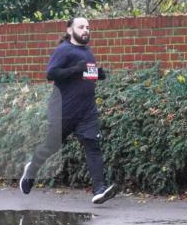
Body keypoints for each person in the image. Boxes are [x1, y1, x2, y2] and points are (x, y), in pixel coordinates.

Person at [19, 17, 118, 204]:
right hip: (64, 110)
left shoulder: (88, 51)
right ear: (70, 30)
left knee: (92, 146)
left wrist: (97, 73)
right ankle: (31, 171)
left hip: (86, 111)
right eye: (81, 27)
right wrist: (75, 69)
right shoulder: (63, 50)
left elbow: (84, 74)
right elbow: (51, 73)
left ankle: (99, 190)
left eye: (88, 27)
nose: (85, 30)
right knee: (52, 146)